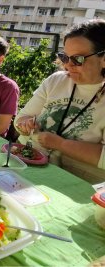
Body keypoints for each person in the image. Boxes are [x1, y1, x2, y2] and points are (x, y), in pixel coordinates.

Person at [15, 19, 105, 183]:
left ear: (103, 59)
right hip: (22, 159)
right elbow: (21, 118)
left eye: (78, 59)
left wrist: (60, 144)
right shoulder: (56, 80)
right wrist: (25, 124)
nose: (68, 66)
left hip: (70, 181)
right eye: (65, 57)